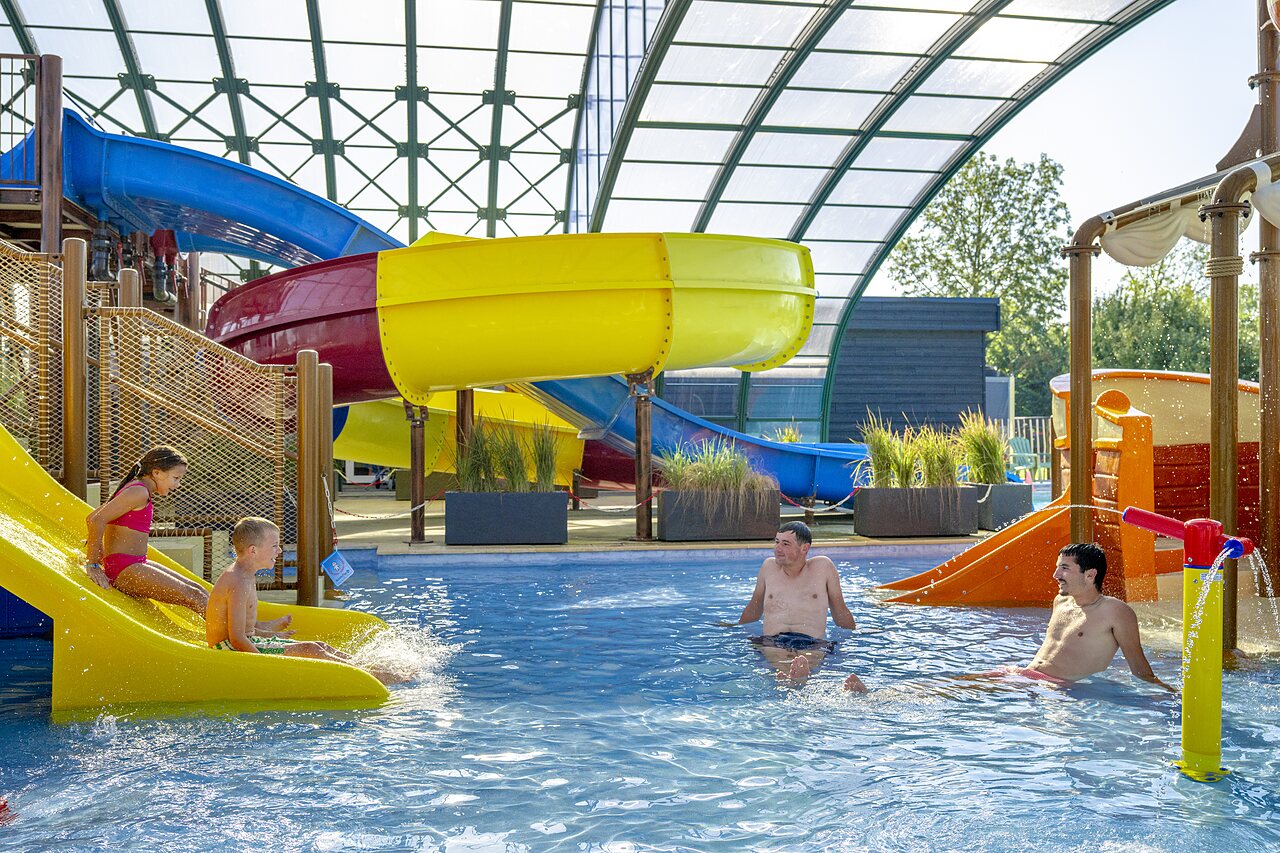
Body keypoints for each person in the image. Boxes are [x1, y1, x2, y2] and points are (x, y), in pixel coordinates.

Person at [206, 517, 404, 685]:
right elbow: (237, 638)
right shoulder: (238, 581)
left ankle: (368, 668)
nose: (280, 551)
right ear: (253, 550)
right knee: (310, 649)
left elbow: (243, 627)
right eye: (274, 546)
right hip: (228, 650)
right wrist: (265, 667)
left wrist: (270, 632)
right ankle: (377, 677)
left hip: (242, 642)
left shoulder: (245, 574)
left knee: (318, 645)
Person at [968, 543, 1173, 691]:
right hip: (1026, 677)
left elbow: (1141, 671)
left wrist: (1172, 696)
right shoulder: (1061, 601)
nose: (1055, 575)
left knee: (961, 690)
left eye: (1064, 568)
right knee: (953, 685)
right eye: (1058, 567)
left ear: (1090, 575)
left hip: (1056, 690)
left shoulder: (1115, 611)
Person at [728, 521, 866, 690]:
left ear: (804, 549)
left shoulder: (823, 567)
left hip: (811, 642)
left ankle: (791, 681)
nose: (778, 548)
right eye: (777, 542)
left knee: (807, 659)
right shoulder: (768, 567)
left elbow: (840, 611)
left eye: (785, 544)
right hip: (773, 640)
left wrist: (856, 635)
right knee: (781, 657)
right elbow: (754, 609)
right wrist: (733, 628)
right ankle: (797, 681)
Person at [85, 446, 210, 615]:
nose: (177, 485)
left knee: (199, 591)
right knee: (194, 596)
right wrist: (92, 563)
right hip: (125, 569)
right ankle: (226, 639)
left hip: (133, 563)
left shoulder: (138, 489)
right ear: (156, 473)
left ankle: (232, 633)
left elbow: (92, 517)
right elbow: (96, 520)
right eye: (176, 478)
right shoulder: (139, 492)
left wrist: (100, 550)